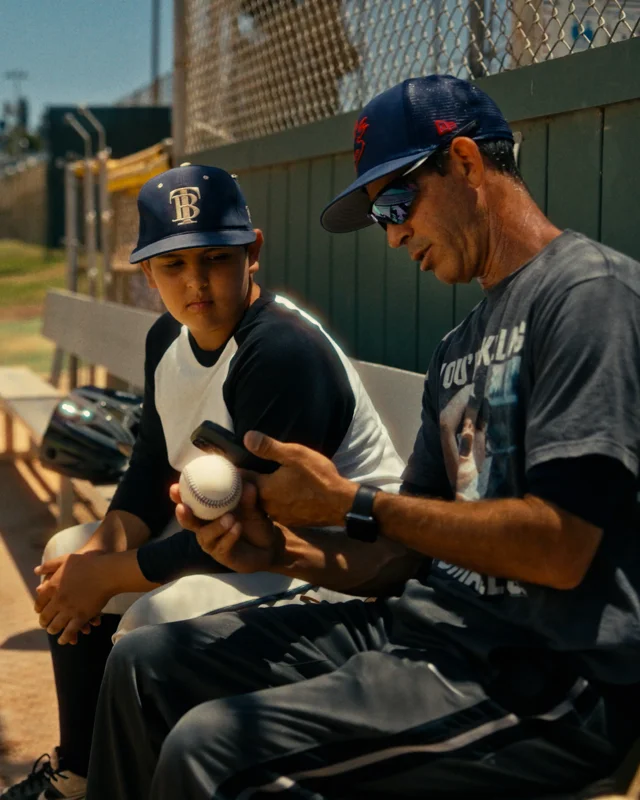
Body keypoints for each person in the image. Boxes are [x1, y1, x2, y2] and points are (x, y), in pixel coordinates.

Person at [86, 75, 640, 800]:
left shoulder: (586, 295)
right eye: (379, 216)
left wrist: (352, 503)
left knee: (213, 751)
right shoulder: (458, 347)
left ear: (467, 165)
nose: (393, 231)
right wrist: (280, 549)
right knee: (143, 667)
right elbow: (402, 560)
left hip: (546, 677)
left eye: (396, 202)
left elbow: (562, 546)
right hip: (424, 631)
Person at [2, 165, 404, 800]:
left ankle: (132, 784)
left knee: (150, 617)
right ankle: (80, 776)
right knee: (64, 554)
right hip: (244, 544)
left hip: (332, 566)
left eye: (216, 257)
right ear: (147, 274)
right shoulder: (169, 336)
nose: (195, 281)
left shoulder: (280, 349)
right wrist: (97, 554)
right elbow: (148, 470)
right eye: (172, 265)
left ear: (253, 252)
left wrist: (110, 575)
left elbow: (253, 530)